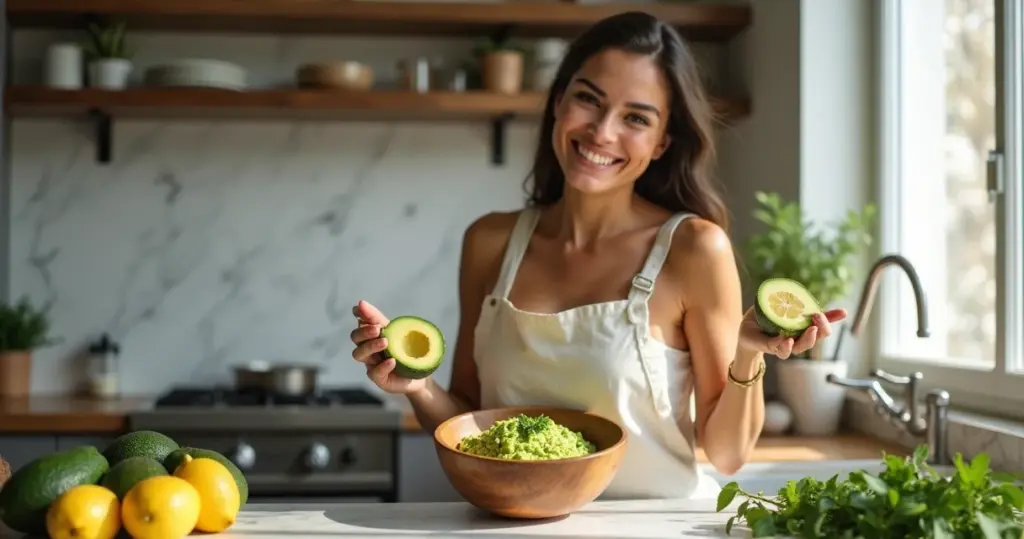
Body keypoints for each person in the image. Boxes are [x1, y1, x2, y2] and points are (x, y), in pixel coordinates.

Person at [350, 11, 846, 499]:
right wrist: (415, 387)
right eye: (589, 99)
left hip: (655, 529)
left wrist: (747, 351)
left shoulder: (694, 248)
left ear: (660, 143)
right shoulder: (489, 242)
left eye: (635, 118)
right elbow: (470, 419)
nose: (603, 132)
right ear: (559, 101)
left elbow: (728, 454)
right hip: (516, 525)